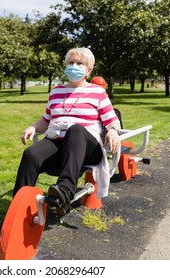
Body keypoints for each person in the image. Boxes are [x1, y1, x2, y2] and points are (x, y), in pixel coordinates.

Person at [13, 47, 121, 216]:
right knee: (31, 155)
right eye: (71, 62)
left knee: (75, 130)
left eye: (80, 63)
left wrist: (113, 131)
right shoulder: (56, 91)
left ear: (89, 69)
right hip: (59, 143)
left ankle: (65, 190)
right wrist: (33, 127)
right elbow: (46, 119)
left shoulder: (97, 92)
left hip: (87, 147)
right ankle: (17, 209)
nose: (74, 66)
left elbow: (112, 120)